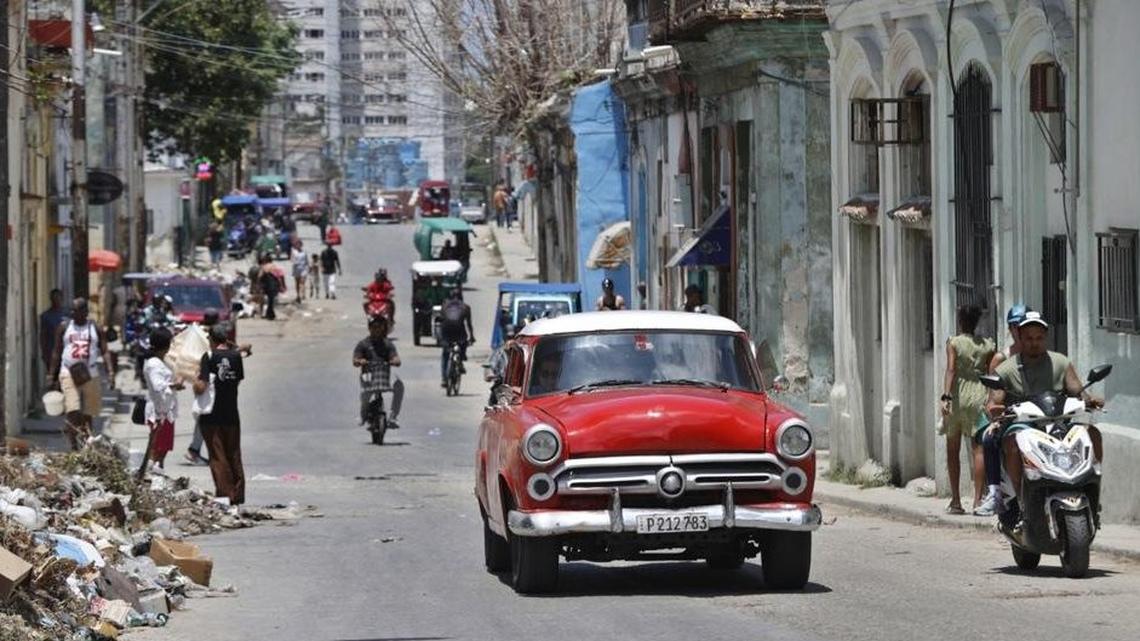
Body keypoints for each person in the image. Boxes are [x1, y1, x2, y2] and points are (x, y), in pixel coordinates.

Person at [985, 311, 1105, 530]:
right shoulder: (1007, 369)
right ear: (1019, 338)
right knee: (1011, 443)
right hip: (1024, 424)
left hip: (1060, 421)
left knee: (1092, 433)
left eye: (1039, 338)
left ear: (1045, 338)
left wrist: (1090, 400)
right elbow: (995, 400)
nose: (1034, 343)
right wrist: (995, 408)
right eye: (1029, 338)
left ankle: (1092, 492)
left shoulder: (1060, 362)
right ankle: (1020, 499)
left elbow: (1077, 390)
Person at [938, 305, 995, 515]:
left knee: (953, 449)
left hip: (959, 396)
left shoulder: (953, 343)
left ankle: (956, 500)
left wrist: (946, 396)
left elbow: (951, 369)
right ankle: (978, 500)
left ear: (960, 321)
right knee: (978, 449)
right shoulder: (987, 345)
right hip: (979, 394)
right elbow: (991, 373)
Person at [975, 304, 1027, 515]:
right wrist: (996, 411)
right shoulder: (1002, 358)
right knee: (989, 438)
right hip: (1010, 415)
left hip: (1039, 413)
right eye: (1015, 326)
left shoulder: (1041, 355)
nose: (1019, 331)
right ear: (1010, 329)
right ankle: (995, 492)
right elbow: (993, 395)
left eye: (1023, 326)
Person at [48, 298, 115, 450]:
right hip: (68, 372)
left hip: (90, 373)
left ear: (85, 311)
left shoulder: (95, 328)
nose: (72, 313)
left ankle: (87, 444)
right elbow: (56, 352)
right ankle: (73, 447)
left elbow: (104, 351)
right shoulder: (64, 327)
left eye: (76, 310)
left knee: (88, 413)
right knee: (73, 410)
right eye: (71, 310)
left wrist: (110, 372)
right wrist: (51, 374)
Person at [194, 323, 247, 506]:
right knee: (233, 454)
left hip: (212, 415)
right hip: (232, 412)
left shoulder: (208, 357)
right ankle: (237, 495)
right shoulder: (236, 357)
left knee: (217, 456)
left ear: (212, 339)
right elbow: (237, 381)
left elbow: (201, 387)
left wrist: (195, 380)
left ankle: (225, 495)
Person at [352, 315, 404, 430]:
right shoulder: (363, 344)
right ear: (369, 328)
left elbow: (396, 358)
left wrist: (394, 360)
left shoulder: (388, 344)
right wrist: (360, 361)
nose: (377, 329)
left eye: (380, 327)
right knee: (365, 392)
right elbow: (355, 360)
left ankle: (393, 416)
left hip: (385, 373)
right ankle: (363, 414)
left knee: (399, 384)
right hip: (369, 374)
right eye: (374, 327)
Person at [142, 327, 181, 471]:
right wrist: (174, 385)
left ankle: (157, 473)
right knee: (156, 449)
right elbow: (158, 386)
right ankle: (151, 475)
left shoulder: (160, 361)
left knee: (162, 448)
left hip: (166, 410)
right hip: (159, 412)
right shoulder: (154, 364)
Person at [438, 289, 474, 387]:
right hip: (459, 331)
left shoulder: (444, 305)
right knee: (463, 342)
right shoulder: (466, 307)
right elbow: (469, 324)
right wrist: (472, 337)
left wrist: (441, 338)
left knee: (445, 354)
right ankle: (461, 358)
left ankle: (444, 379)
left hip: (446, 331)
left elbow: (441, 320)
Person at [40, 289, 70, 374]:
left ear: (62, 298)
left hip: (66, 351)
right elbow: (43, 335)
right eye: (54, 298)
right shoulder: (46, 316)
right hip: (51, 352)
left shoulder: (67, 314)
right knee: (54, 376)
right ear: (51, 300)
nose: (56, 300)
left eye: (58, 298)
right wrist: (44, 352)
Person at [258, 255, 282, 320]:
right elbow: (279, 276)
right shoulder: (274, 266)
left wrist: (259, 284)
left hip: (267, 284)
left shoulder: (264, 267)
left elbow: (260, 276)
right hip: (274, 284)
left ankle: (269, 314)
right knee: (271, 299)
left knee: (268, 299)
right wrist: (281, 285)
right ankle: (270, 313)